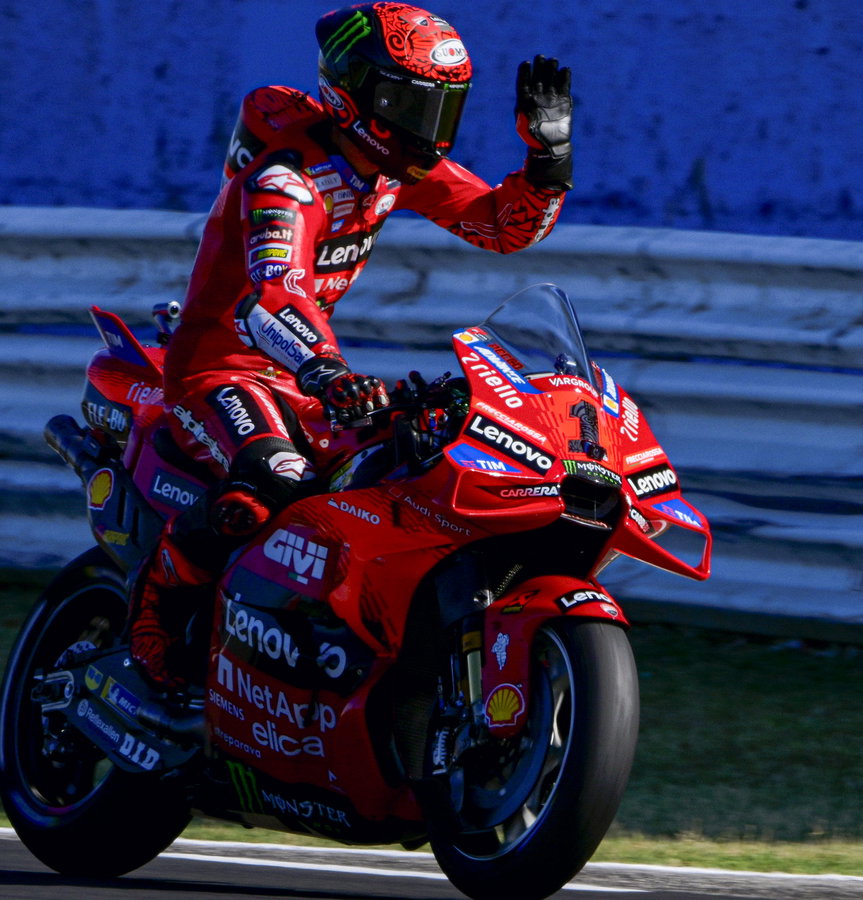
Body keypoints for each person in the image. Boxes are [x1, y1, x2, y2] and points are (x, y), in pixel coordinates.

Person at [129, 1, 573, 690]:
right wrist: (327, 371)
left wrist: (548, 158)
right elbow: (270, 296)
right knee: (273, 484)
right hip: (225, 366)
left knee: (394, 476)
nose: (431, 132)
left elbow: (500, 227)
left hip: (310, 379)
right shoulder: (287, 178)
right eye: (414, 105)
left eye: (445, 109)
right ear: (358, 95)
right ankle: (153, 621)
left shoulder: (393, 168)